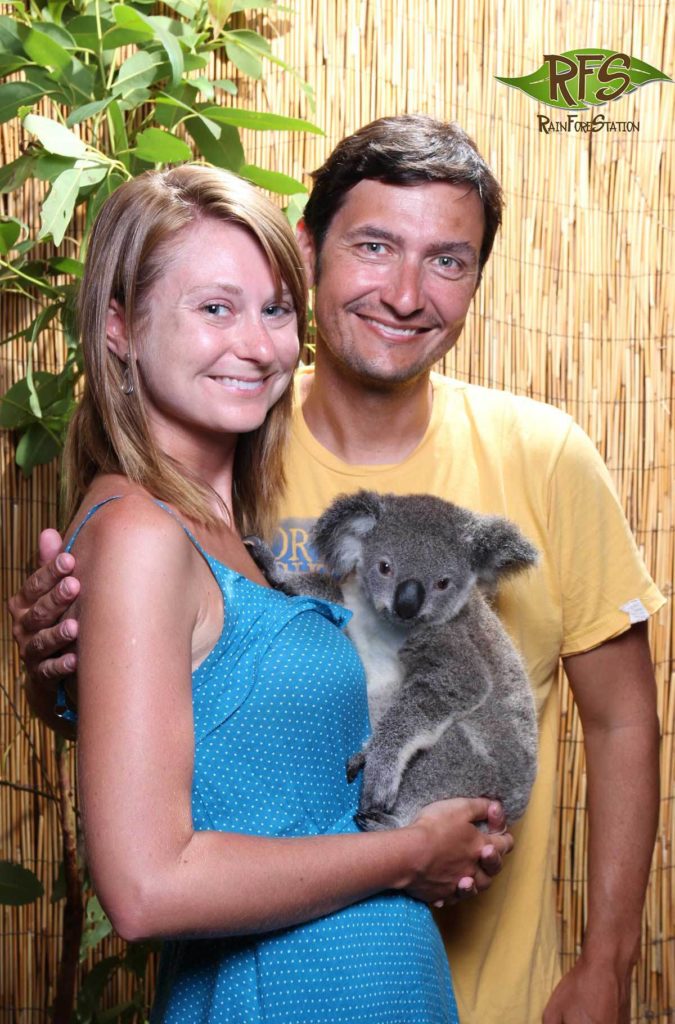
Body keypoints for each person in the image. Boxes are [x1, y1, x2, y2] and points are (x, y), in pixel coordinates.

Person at [9, 117, 663, 1023]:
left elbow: (624, 718)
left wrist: (607, 964)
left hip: (488, 987)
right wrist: (56, 668)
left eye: (447, 260)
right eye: (374, 246)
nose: (404, 292)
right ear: (310, 251)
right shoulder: (214, 466)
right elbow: (155, 803)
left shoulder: (538, 455)